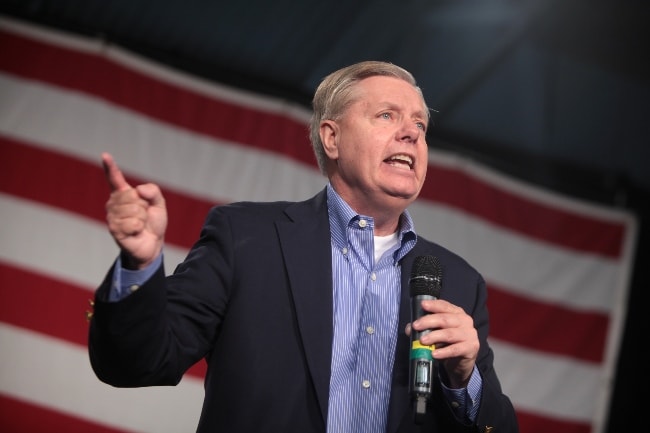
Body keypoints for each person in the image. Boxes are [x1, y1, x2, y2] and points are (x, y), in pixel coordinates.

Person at [88, 60, 519, 433]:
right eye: (387, 116)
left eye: (420, 125)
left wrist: (464, 380)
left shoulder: (460, 283)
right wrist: (140, 265)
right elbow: (136, 362)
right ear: (331, 138)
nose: (411, 133)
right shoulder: (246, 239)